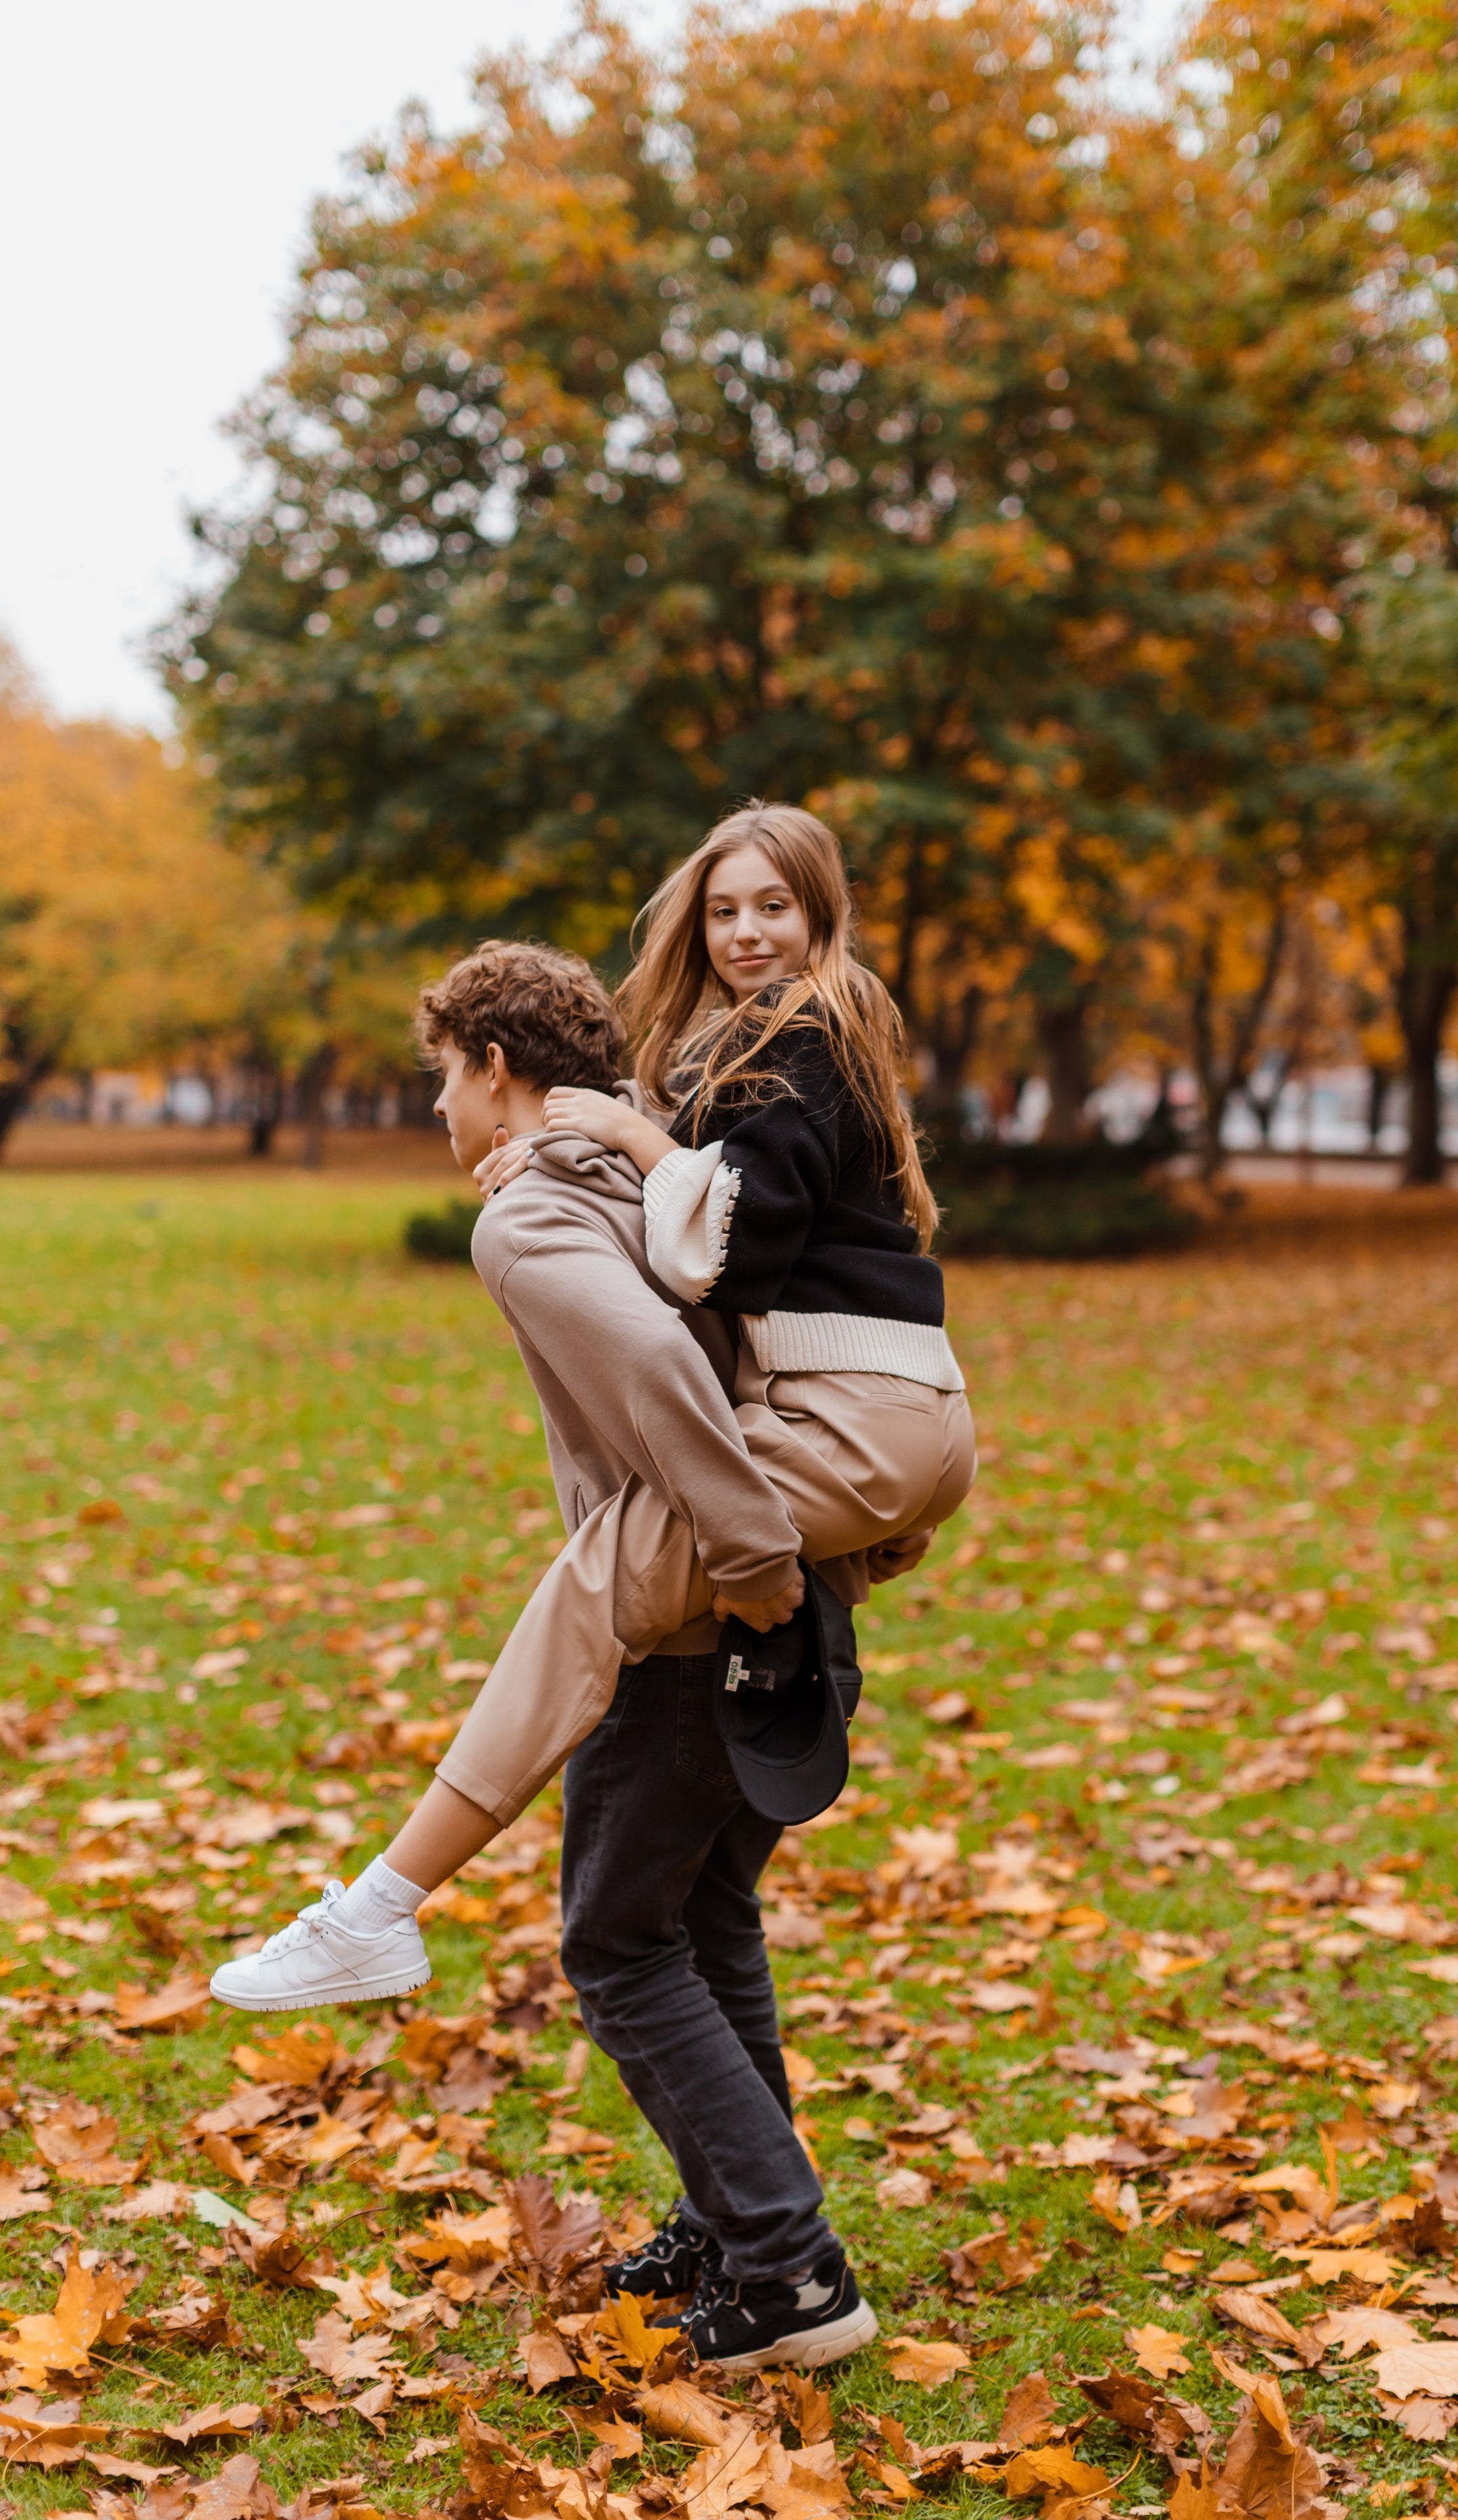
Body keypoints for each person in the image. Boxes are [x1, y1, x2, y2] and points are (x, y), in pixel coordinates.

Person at [214, 809, 976, 2369]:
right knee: (700, 1920)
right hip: (824, 1456)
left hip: (780, 1502)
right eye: (723, 910)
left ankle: (780, 2263)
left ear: (494, 1068)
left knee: (622, 1921)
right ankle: (739, 2215)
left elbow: (675, 1331)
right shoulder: (704, 1104)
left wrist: (765, 1563)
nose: (434, 1104)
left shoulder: (578, 1180)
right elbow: (723, 1269)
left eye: (439, 1074)